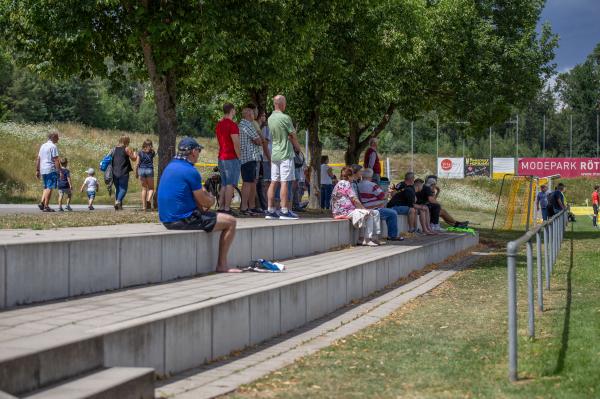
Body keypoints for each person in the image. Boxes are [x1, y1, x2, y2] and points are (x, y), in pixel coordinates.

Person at [158, 137, 240, 273]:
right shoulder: (190, 171)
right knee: (231, 222)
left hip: (166, 219)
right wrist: (212, 199)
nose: (199, 154)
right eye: (199, 150)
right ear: (193, 152)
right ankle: (222, 265)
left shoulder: (171, 166)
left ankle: (222, 265)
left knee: (209, 214)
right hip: (182, 219)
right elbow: (205, 201)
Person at [266, 95, 302, 220]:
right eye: (285, 103)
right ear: (281, 104)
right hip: (285, 153)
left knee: (273, 181)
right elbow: (293, 136)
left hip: (274, 153)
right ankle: (284, 210)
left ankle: (270, 210)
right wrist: (298, 149)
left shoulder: (270, 118)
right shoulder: (285, 118)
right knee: (285, 182)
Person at [331, 166, 381, 246]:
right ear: (349, 176)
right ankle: (367, 239)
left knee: (372, 212)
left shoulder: (340, 183)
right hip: (344, 211)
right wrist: (364, 209)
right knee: (369, 213)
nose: (353, 178)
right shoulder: (346, 184)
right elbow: (354, 199)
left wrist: (363, 209)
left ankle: (367, 238)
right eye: (352, 176)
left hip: (342, 211)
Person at [358, 168, 403, 241]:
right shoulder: (373, 185)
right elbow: (383, 196)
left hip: (363, 208)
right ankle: (392, 236)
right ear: (371, 176)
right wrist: (387, 192)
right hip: (374, 208)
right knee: (392, 213)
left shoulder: (358, 185)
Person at [215, 103, 241, 215]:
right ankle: (227, 208)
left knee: (224, 184)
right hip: (231, 157)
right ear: (231, 110)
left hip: (222, 156)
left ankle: (221, 207)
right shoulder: (232, 125)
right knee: (230, 183)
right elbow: (236, 142)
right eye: (234, 110)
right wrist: (239, 156)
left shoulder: (219, 124)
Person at [238, 107, 263, 215]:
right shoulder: (247, 125)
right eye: (253, 113)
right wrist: (258, 140)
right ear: (248, 114)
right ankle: (244, 207)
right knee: (248, 183)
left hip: (248, 158)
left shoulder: (243, 125)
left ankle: (250, 206)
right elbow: (259, 140)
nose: (254, 115)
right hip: (249, 157)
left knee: (251, 182)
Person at [36, 131, 61, 212]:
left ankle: (42, 202)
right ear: (53, 137)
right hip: (51, 168)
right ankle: (46, 206)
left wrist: (37, 170)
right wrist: (59, 170)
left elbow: (38, 158)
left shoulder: (43, 146)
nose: (58, 139)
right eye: (57, 137)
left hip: (43, 169)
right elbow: (56, 159)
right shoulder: (53, 146)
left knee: (46, 186)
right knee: (50, 187)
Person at [112, 135, 137, 210]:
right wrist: (135, 153)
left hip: (114, 171)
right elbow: (134, 159)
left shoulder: (114, 148)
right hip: (123, 171)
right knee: (123, 189)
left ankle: (119, 206)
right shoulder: (126, 148)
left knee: (118, 189)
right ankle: (118, 201)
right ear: (126, 141)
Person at [137, 139, 156, 211]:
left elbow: (138, 163)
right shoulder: (152, 152)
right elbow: (153, 152)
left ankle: (144, 207)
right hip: (149, 170)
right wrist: (151, 148)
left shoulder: (140, 152)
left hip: (141, 170)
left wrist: (136, 172)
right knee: (151, 188)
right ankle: (148, 200)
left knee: (144, 189)